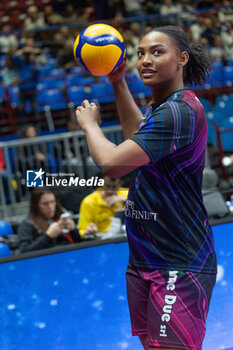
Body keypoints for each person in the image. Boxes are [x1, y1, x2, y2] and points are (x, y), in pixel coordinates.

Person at [75, 25, 217, 350]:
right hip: (144, 258)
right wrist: (117, 82)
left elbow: (112, 163)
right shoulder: (162, 108)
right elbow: (135, 134)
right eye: (140, 53)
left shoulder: (180, 112)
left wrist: (91, 126)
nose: (145, 60)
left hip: (179, 263)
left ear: (182, 58)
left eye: (157, 52)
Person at [17, 188, 81, 253]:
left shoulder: (60, 218)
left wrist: (73, 230)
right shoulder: (27, 224)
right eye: (45, 204)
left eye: (53, 202)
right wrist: (48, 236)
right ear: (36, 205)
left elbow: (79, 245)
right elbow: (24, 251)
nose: (50, 207)